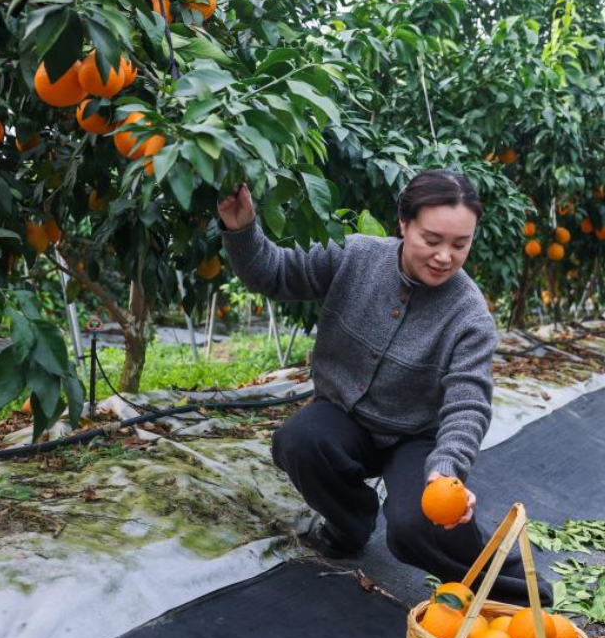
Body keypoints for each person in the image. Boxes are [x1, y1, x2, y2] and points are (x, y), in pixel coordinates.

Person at [216, 170, 550, 605]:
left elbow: (468, 403)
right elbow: (276, 274)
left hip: (416, 438)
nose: (444, 256)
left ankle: (520, 595)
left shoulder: (468, 316)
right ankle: (350, 524)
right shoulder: (356, 256)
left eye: (459, 244)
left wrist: (446, 467)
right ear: (404, 223)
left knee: (418, 524)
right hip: (344, 418)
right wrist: (242, 229)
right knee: (299, 441)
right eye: (432, 239)